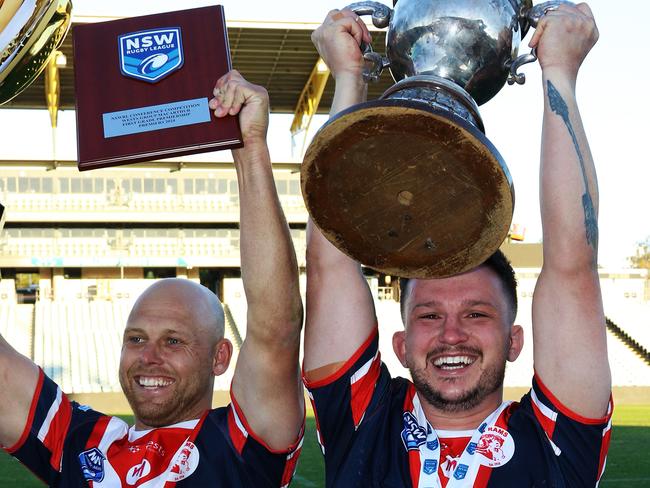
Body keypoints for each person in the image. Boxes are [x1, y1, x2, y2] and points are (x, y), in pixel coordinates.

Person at [303, 4, 612, 487]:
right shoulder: (364, 423)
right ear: (401, 345)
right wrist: (349, 77)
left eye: (477, 313)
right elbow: (331, 264)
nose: (451, 334)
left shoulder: (558, 442)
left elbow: (573, 267)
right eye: (428, 315)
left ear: (514, 341)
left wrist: (560, 75)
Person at [0, 70, 305, 486]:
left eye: (174, 340)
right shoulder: (79, 443)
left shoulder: (241, 446)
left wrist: (249, 147)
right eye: (136, 338)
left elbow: (276, 326)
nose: (149, 356)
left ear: (220, 357)